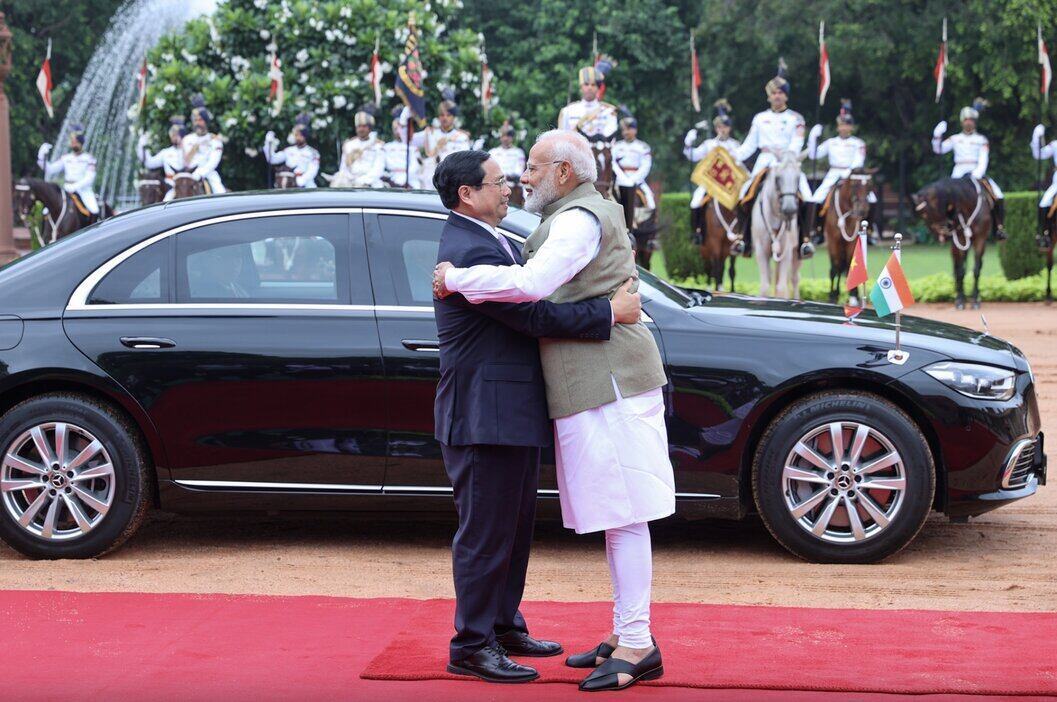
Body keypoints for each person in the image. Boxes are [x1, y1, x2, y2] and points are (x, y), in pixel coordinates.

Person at [434, 130, 673, 692]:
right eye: (504, 178)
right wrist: (610, 311)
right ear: (467, 195)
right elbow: (534, 312)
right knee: (498, 532)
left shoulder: (570, 220)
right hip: (493, 410)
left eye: (533, 169)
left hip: (578, 391)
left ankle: (619, 637)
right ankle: (478, 641)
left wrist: (454, 279)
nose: (522, 180)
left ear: (564, 173)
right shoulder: (484, 240)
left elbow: (534, 287)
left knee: (602, 518)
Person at [733, 71, 813, 257]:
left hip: (788, 163)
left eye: (781, 93)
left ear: (786, 95)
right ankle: (743, 238)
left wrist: (787, 155)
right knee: (744, 193)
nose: (777, 96)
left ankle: (805, 241)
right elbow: (749, 144)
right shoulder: (759, 118)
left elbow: (797, 142)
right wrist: (733, 155)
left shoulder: (796, 118)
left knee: (807, 196)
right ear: (769, 96)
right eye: (774, 93)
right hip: (766, 161)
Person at [804, 99, 878, 243]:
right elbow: (814, 155)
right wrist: (813, 138)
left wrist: (849, 174)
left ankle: (869, 231)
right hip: (833, 173)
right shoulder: (831, 142)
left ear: (851, 127)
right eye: (841, 125)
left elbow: (858, 160)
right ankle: (817, 230)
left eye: (847, 125)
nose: (844, 128)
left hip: (852, 174)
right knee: (816, 198)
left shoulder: (858, 143)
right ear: (838, 127)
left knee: (872, 198)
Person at [932, 98, 1006, 239]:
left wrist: (977, 173)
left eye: (971, 119)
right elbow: (939, 149)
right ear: (962, 122)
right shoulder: (954, 139)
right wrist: (937, 135)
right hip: (958, 171)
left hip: (976, 170)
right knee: (945, 194)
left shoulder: (981, 140)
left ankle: (999, 227)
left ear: (975, 122)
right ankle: (947, 223)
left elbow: (984, 158)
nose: (968, 122)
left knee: (998, 194)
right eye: (966, 119)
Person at [684, 99, 741, 248]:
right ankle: (696, 232)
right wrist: (688, 143)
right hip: (710, 183)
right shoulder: (709, 144)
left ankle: (743, 233)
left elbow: (739, 166)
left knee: (744, 202)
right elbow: (692, 156)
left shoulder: (735, 146)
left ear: (729, 128)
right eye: (719, 127)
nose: (722, 129)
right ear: (716, 128)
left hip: (729, 184)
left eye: (725, 126)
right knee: (695, 201)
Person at [37, 123, 100, 217]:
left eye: (76, 142)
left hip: (83, 190)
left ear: (81, 143)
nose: (74, 144)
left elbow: (90, 177)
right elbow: (50, 169)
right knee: (47, 211)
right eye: (73, 142)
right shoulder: (66, 158)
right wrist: (42, 157)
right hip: (66, 188)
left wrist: (76, 186)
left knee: (94, 210)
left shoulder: (89, 159)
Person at [417, 96, 472, 190]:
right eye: (442, 115)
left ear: (454, 117)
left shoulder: (462, 137)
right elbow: (408, 139)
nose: (444, 118)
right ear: (438, 117)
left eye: (448, 115)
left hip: (452, 179)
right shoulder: (430, 133)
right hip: (431, 179)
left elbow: (464, 162)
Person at [611, 115, 653, 231]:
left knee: (650, 202)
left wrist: (633, 179)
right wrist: (622, 177)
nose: (626, 132)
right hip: (619, 179)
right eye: (623, 129)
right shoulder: (616, 146)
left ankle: (649, 235)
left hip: (637, 179)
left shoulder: (643, 147)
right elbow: (613, 163)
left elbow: (646, 165)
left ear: (635, 130)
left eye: (629, 129)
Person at [557, 63, 618, 141]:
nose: (589, 88)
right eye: (586, 84)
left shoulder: (608, 111)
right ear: (581, 87)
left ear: (598, 88)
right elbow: (561, 138)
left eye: (593, 85)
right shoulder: (568, 111)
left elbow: (610, 138)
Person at [181, 94, 226, 193]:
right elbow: (186, 161)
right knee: (169, 197)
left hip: (208, 174)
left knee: (220, 192)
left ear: (206, 121)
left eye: (200, 120)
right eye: (195, 120)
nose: (197, 123)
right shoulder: (187, 139)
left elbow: (212, 163)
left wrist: (199, 173)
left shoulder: (215, 140)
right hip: (189, 174)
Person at [136, 116, 188, 201]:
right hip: (170, 184)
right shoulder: (166, 152)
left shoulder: (189, 149)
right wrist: (142, 145)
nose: (174, 137)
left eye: (177, 134)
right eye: (173, 134)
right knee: (166, 201)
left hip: (187, 184)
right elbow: (150, 163)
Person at [263, 113, 320, 188]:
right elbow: (272, 159)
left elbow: (312, 170)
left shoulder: (313, 153)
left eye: (300, 135)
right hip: (289, 184)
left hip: (306, 185)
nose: (297, 137)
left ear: (305, 136)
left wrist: (300, 180)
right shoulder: (289, 150)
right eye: (296, 135)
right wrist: (268, 144)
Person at [332, 110, 385, 188]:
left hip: (370, 183)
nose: (361, 129)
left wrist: (362, 181)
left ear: (370, 128)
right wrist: (351, 180)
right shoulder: (349, 145)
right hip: (349, 181)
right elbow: (343, 167)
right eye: (359, 126)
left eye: (364, 126)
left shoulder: (378, 146)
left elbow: (378, 168)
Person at [383, 106, 422, 188]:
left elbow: (415, 166)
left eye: (400, 128)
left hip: (410, 179)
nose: (398, 131)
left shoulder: (413, 147)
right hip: (391, 179)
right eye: (395, 128)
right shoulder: (386, 147)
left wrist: (404, 179)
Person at [1032, 123, 1057, 248]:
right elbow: (1038, 154)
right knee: (1044, 202)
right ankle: (1044, 234)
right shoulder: (1055, 144)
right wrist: (1037, 136)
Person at [488, 122, 526, 188]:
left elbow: (519, 170)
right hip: (496, 183)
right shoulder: (492, 152)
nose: (505, 138)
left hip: (513, 183)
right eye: (503, 136)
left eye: (508, 136)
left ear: (512, 137)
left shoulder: (519, 152)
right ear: (500, 137)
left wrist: (508, 176)